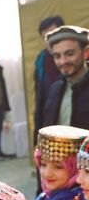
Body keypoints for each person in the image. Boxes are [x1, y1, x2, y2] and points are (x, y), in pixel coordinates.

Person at [43, 25, 89, 129]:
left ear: (86, 53)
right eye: (57, 56)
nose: (63, 61)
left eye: (69, 54)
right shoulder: (54, 89)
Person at [33, 16, 65, 146]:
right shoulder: (40, 62)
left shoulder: (80, 59)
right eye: (45, 37)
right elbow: (39, 100)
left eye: (53, 34)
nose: (50, 41)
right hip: (51, 122)